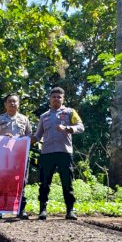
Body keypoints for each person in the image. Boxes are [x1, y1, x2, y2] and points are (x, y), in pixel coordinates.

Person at [31, 87, 84, 220]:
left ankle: (70, 210)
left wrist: (67, 128)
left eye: (59, 97)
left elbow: (80, 127)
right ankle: (42, 210)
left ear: (63, 99)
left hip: (64, 152)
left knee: (67, 182)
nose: (56, 99)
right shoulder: (44, 116)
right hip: (47, 153)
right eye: (54, 97)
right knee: (44, 183)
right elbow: (38, 135)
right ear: (50, 99)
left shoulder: (70, 112)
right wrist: (30, 140)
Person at [0, 93, 33, 219]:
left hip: (20, 157)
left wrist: (18, 139)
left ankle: (20, 209)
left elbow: (30, 137)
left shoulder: (24, 119)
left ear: (18, 104)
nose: (12, 103)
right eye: (9, 101)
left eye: (15, 101)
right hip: (3, 157)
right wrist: (3, 139)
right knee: (2, 181)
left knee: (21, 182)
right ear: (5, 104)